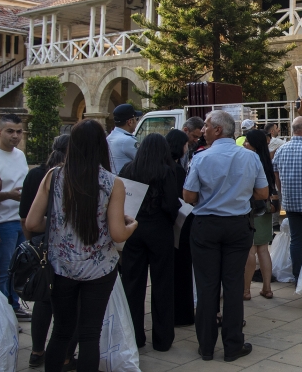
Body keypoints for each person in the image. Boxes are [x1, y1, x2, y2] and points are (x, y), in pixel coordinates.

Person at [25, 119, 138, 372]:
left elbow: (32, 222)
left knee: (61, 332)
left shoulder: (53, 176)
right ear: (101, 146)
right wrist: (133, 225)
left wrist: (62, 225)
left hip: (61, 267)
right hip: (99, 270)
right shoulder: (112, 182)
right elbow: (118, 234)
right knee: (90, 334)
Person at [183, 110, 265, 362]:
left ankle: (206, 346)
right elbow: (262, 193)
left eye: (207, 126)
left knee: (207, 286)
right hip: (237, 226)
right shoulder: (250, 157)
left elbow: (188, 196)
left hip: (206, 226)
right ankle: (233, 345)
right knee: (232, 286)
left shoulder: (201, 158)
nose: (203, 130)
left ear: (218, 129)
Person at [19, 135, 77, 369]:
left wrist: (31, 243)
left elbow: (25, 216)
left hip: (41, 242)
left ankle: (37, 351)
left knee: (43, 299)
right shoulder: (68, 176)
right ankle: (64, 356)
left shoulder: (36, 174)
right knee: (70, 303)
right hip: (66, 246)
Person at [119, 133, 180, 352]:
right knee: (162, 283)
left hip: (133, 229)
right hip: (160, 229)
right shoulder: (165, 171)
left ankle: (134, 336)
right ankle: (162, 339)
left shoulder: (128, 169)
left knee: (133, 284)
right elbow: (171, 203)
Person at [0, 114, 31, 322]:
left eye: (19, 131)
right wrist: (8, 195)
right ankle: (2, 313)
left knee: (19, 270)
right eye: (10, 131)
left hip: (21, 219)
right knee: (3, 270)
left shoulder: (20, 155)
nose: (15, 136)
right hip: (2, 222)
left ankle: (14, 306)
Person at [273, 117, 302, 279]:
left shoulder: (281, 149)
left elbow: (276, 175)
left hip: (291, 203)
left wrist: (282, 193)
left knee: (296, 241)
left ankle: (298, 274)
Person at [242, 129, 277, 300]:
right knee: (263, 250)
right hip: (266, 209)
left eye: (247, 141)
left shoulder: (249, 161)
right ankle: (267, 288)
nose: (243, 144)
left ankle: (246, 290)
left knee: (250, 250)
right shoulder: (266, 161)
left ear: (254, 144)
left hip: (251, 208)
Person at [165, 129, 195, 327]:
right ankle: (182, 314)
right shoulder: (175, 171)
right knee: (182, 271)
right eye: (186, 144)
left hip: (167, 228)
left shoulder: (165, 167)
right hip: (180, 227)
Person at [107, 104, 142, 172]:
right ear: (130, 122)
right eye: (136, 119)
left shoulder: (110, 137)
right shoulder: (127, 140)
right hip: (126, 181)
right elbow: (144, 161)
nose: (136, 122)